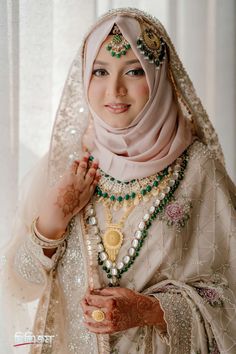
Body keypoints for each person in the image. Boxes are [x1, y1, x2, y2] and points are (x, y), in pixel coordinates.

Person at [0, 7, 235, 354]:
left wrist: (151, 310)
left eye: (134, 71)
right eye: (100, 71)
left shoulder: (198, 169)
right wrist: (52, 221)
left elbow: (230, 295)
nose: (115, 90)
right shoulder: (67, 164)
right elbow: (19, 287)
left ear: (160, 77)